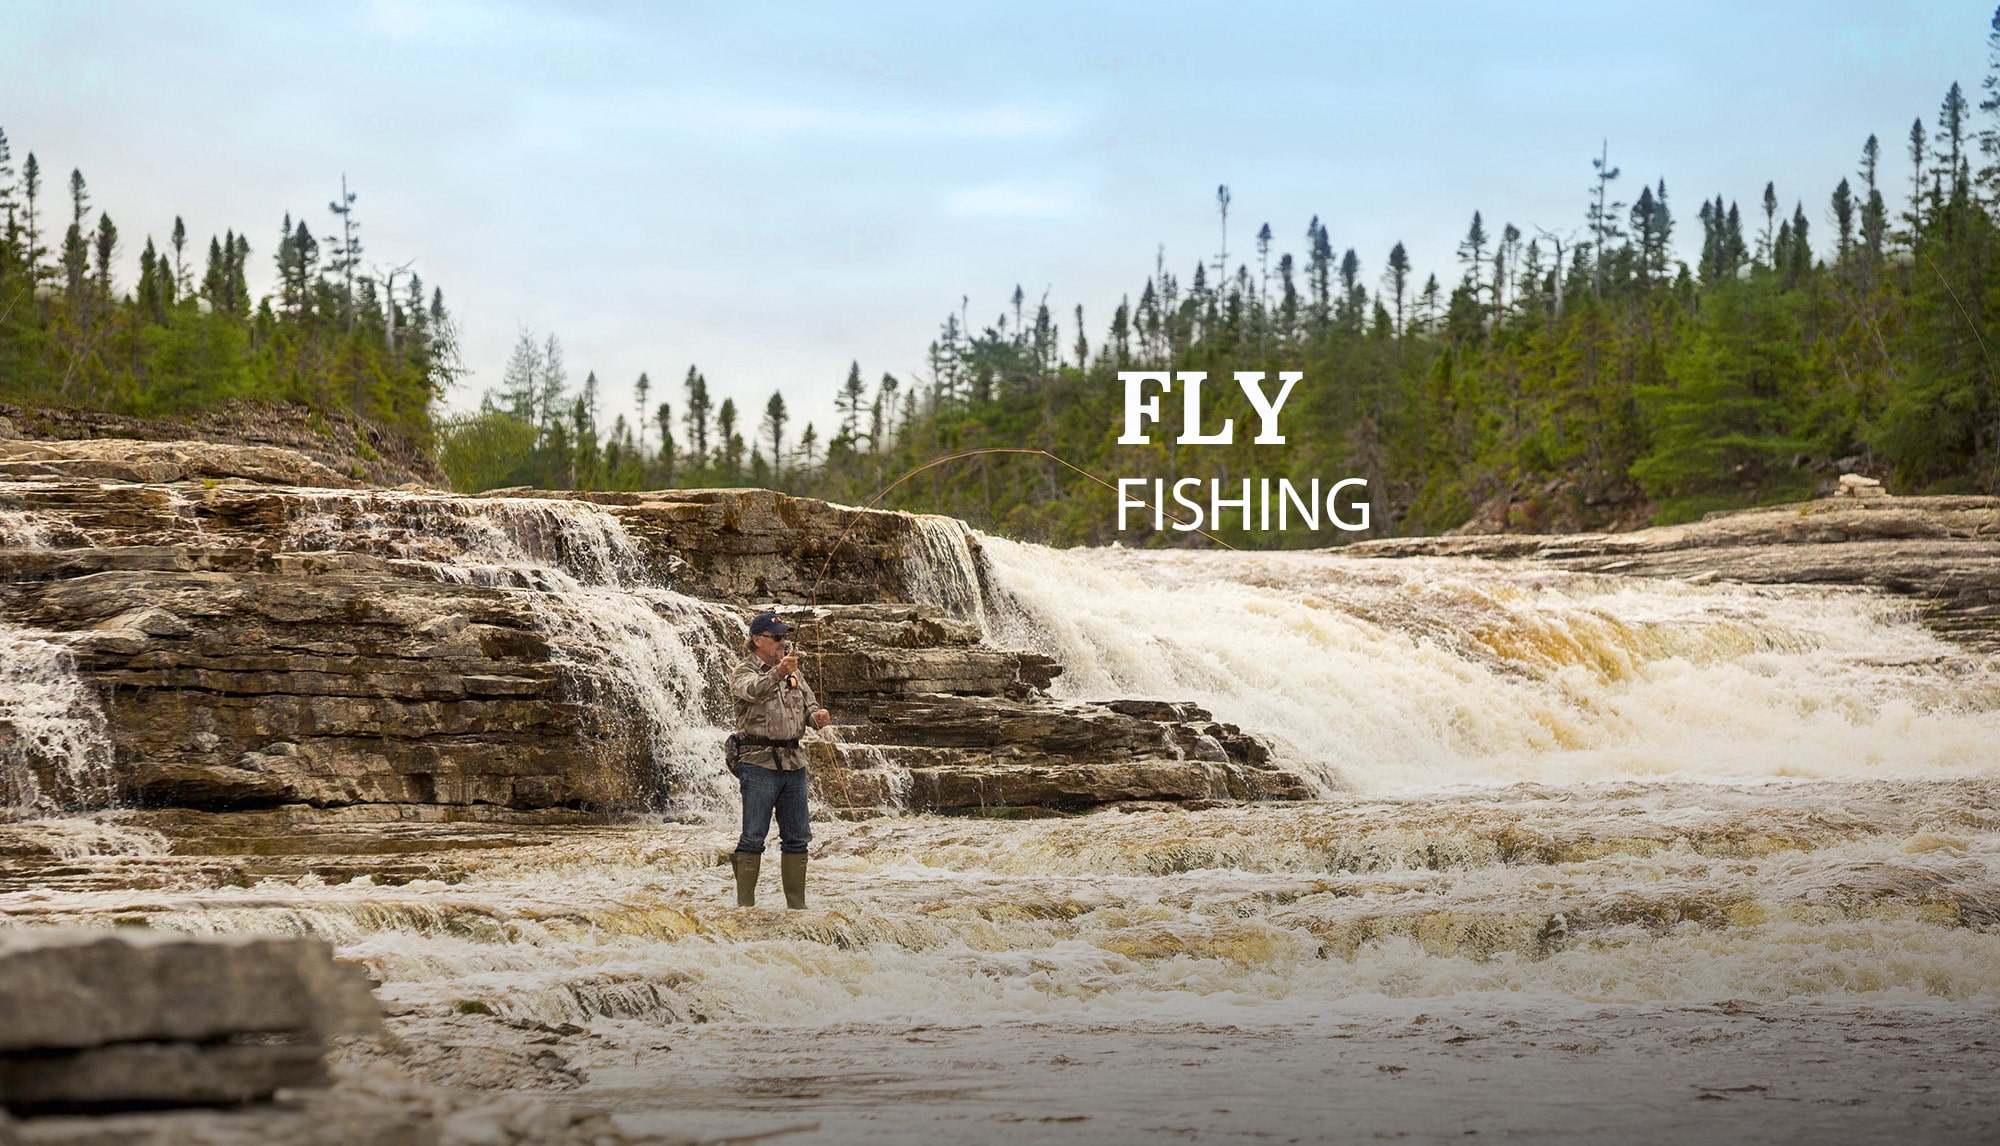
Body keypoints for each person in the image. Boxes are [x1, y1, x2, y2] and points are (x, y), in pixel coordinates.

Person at [728, 611, 831, 908]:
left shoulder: (795, 674)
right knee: (753, 837)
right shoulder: (743, 670)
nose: (783, 642)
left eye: (784, 636)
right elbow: (754, 691)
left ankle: (797, 907)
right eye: (777, 638)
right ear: (757, 640)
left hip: (793, 764)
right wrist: (778, 673)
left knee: (798, 837)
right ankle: (745, 906)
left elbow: (810, 709)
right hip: (758, 763)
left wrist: (818, 717)